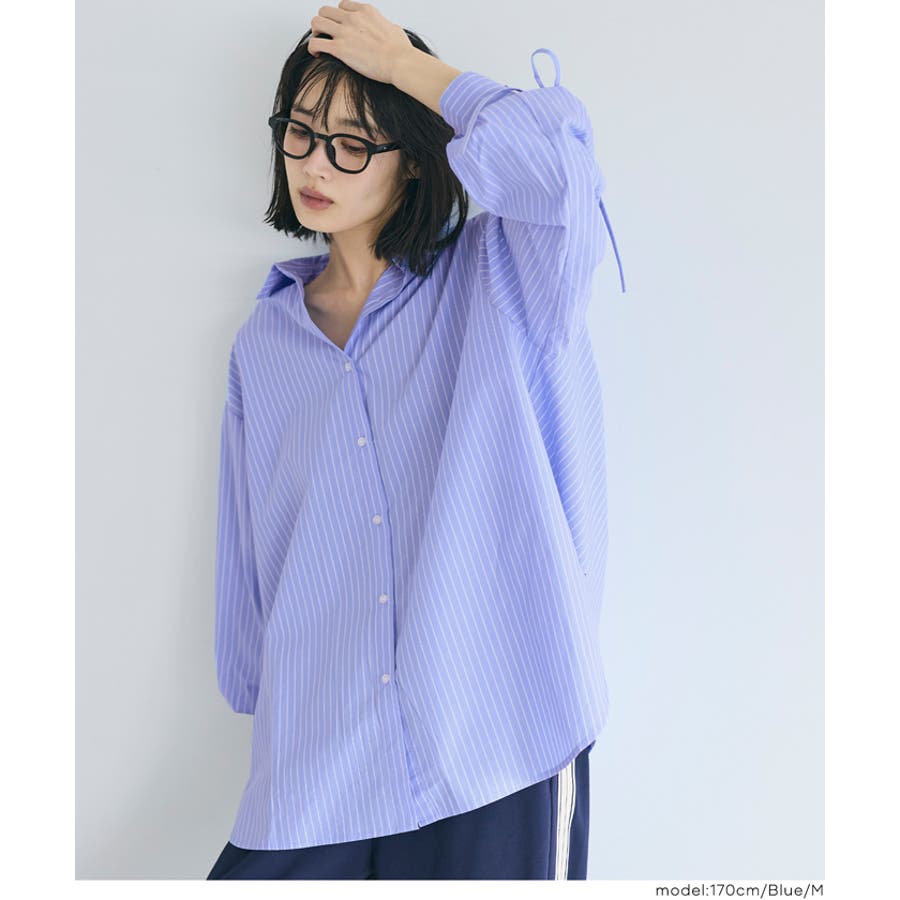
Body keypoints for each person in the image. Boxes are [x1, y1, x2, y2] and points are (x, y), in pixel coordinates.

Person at [207, 0, 624, 880]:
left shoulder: (502, 275)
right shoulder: (265, 341)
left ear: (415, 159)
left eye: (353, 143)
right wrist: (257, 691)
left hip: (496, 737)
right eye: (301, 133)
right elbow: (254, 544)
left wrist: (407, 68)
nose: (316, 164)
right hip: (321, 748)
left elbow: (560, 171)